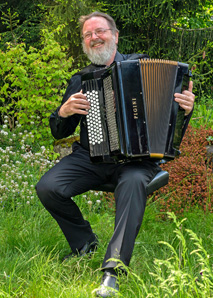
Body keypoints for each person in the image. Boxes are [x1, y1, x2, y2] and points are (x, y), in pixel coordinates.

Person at [36, 11, 195, 297]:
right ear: (84, 43)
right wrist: (62, 112)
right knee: (48, 187)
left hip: (138, 161)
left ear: (115, 35)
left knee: (134, 183)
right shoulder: (81, 80)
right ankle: (85, 243)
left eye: (100, 31)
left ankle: (113, 270)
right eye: (88, 34)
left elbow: (173, 119)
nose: (94, 37)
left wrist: (186, 106)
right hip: (91, 157)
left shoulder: (142, 65)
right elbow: (59, 131)